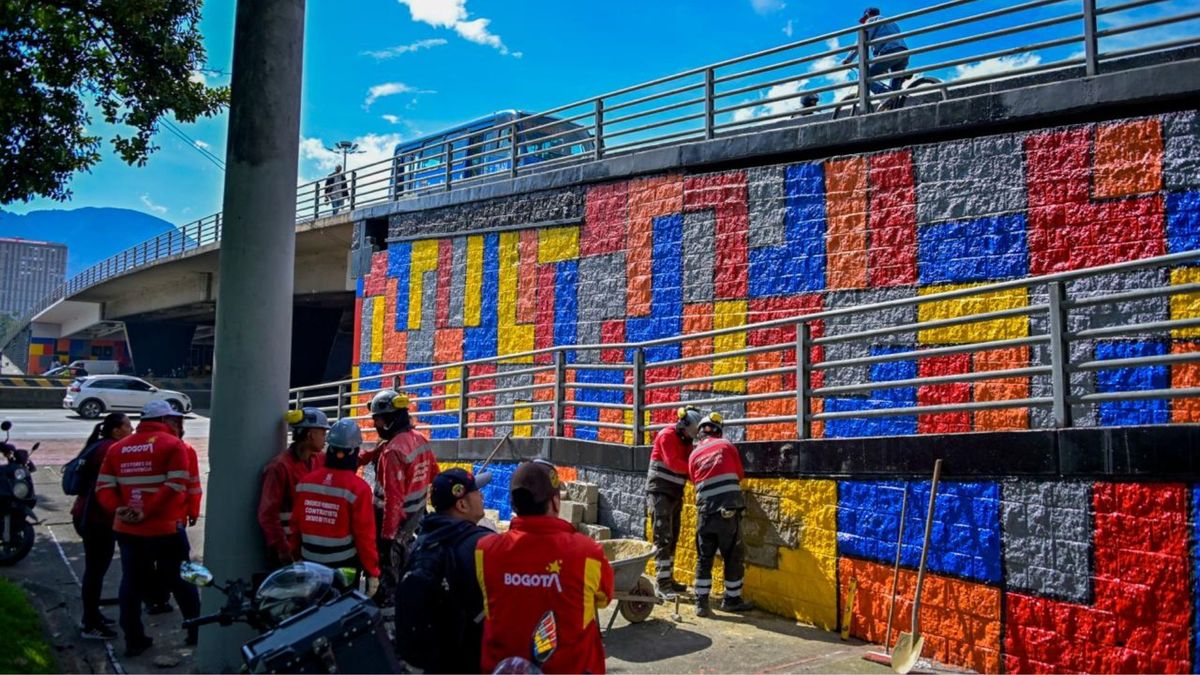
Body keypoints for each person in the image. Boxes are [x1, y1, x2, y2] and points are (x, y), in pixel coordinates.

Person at [476, 460, 614, 674]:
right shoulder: (587, 553)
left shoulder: (484, 551)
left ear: (513, 504)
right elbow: (604, 598)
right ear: (556, 502)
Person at [94, 400, 201, 656]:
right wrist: (147, 510)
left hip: (127, 529)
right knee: (182, 579)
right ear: (164, 421)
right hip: (165, 528)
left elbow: (103, 487)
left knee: (131, 583)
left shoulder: (118, 448)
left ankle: (133, 639)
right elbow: (176, 484)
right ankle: (196, 630)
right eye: (172, 419)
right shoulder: (174, 445)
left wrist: (119, 509)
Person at [394, 468, 495, 673]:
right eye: (476, 491)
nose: (481, 496)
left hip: (433, 661)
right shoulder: (481, 544)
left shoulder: (424, 540)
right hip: (467, 659)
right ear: (462, 505)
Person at [364, 390, 439, 609]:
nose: (375, 424)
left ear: (391, 419)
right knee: (407, 566)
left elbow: (393, 500)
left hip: (393, 523)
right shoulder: (419, 439)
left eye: (378, 419)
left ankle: (387, 613)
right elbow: (434, 474)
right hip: (414, 520)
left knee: (389, 573)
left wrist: (387, 537)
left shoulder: (393, 451)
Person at [290, 419, 380, 595]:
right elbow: (365, 537)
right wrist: (372, 572)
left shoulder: (306, 483)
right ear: (354, 451)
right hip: (343, 569)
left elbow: (295, 528)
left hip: (309, 564)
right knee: (340, 608)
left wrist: (295, 558)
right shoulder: (358, 489)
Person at [71, 412, 133, 640]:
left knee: (95, 569)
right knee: (95, 571)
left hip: (86, 513)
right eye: (128, 426)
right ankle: (90, 623)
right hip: (96, 518)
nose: (131, 430)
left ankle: (93, 614)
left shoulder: (98, 445)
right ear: (116, 430)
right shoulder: (110, 449)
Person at [687, 414, 754, 618]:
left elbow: (693, 480)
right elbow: (739, 474)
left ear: (700, 433)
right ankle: (732, 600)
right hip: (727, 511)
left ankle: (701, 603)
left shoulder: (693, 454)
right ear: (718, 430)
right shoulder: (726, 445)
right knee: (732, 555)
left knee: (704, 557)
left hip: (705, 512)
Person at [258, 408, 329, 565]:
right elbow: (268, 514)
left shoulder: (318, 460)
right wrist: (283, 549)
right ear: (311, 435)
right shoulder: (279, 467)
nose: (325, 439)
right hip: (287, 550)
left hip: (308, 546)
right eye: (323, 433)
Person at [646, 406, 703, 600]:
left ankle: (668, 578)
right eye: (689, 433)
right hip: (659, 491)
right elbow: (674, 463)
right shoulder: (667, 436)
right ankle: (662, 584)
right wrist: (697, 472)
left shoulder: (686, 440)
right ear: (683, 425)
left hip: (675, 493)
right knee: (662, 536)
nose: (690, 438)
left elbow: (687, 465)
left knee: (673, 536)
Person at [842, 7, 909, 95]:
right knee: (895, 82)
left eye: (865, 19)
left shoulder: (871, 20)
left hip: (889, 51)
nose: (865, 22)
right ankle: (895, 100)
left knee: (864, 77)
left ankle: (884, 94)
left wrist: (848, 59)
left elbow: (860, 41)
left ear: (867, 14)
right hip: (903, 51)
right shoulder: (892, 22)